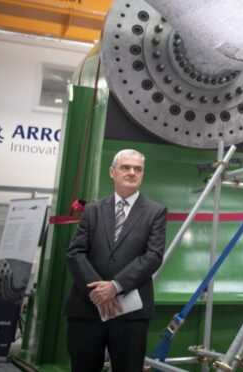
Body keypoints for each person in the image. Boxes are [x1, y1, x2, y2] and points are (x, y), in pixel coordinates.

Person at [63, 149, 167, 372]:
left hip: (131, 314)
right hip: (87, 309)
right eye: (125, 167)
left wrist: (115, 286)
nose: (132, 172)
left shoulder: (155, 212)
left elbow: (153, 256)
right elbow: (75, 252)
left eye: (137, 169)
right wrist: (99, 292)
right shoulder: (92, 210)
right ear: (112, 172)